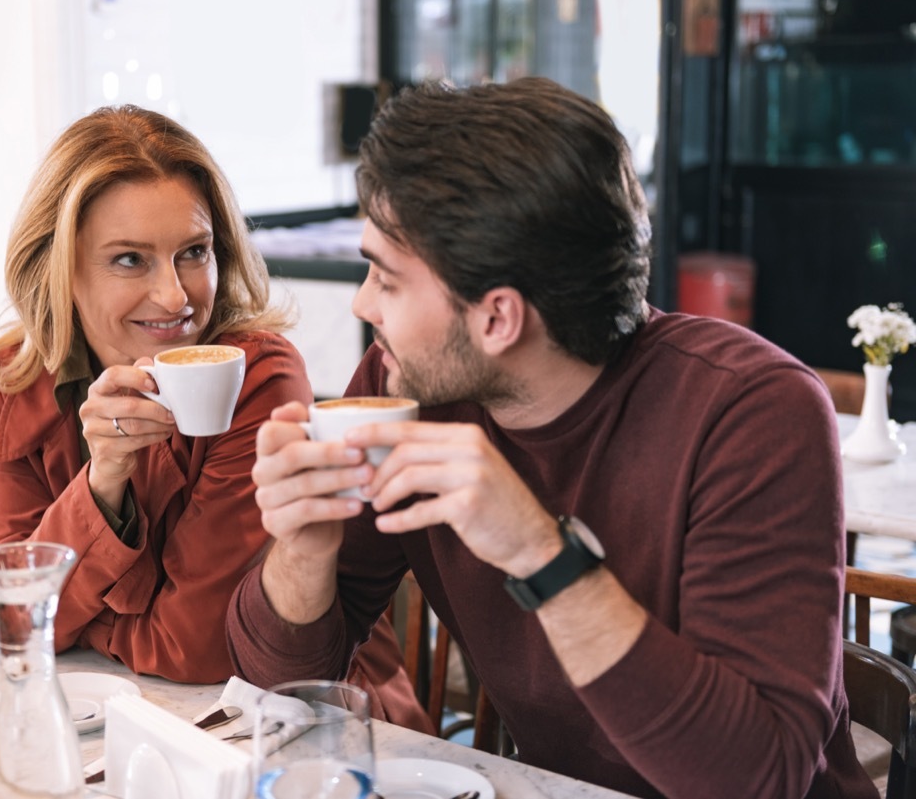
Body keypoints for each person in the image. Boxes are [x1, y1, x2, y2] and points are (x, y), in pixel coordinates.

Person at [228, 78, 876, 798]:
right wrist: (303, 551)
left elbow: (759, 776)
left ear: (498, 318)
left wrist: (539, 550)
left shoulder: (752, 411)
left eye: (386, 277)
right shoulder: (402, 387)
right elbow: (279, 687)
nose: (362, 301)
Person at [0, 104, 428, 731]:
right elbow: (11, 621)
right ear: (60, 269)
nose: (176, 296)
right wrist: (103, 480)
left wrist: (82, 618)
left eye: (194, 251)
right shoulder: (12, 377)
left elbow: (203, 649)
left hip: (314, 727)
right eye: (130, 259)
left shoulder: (253, 373)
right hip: (123, 723)